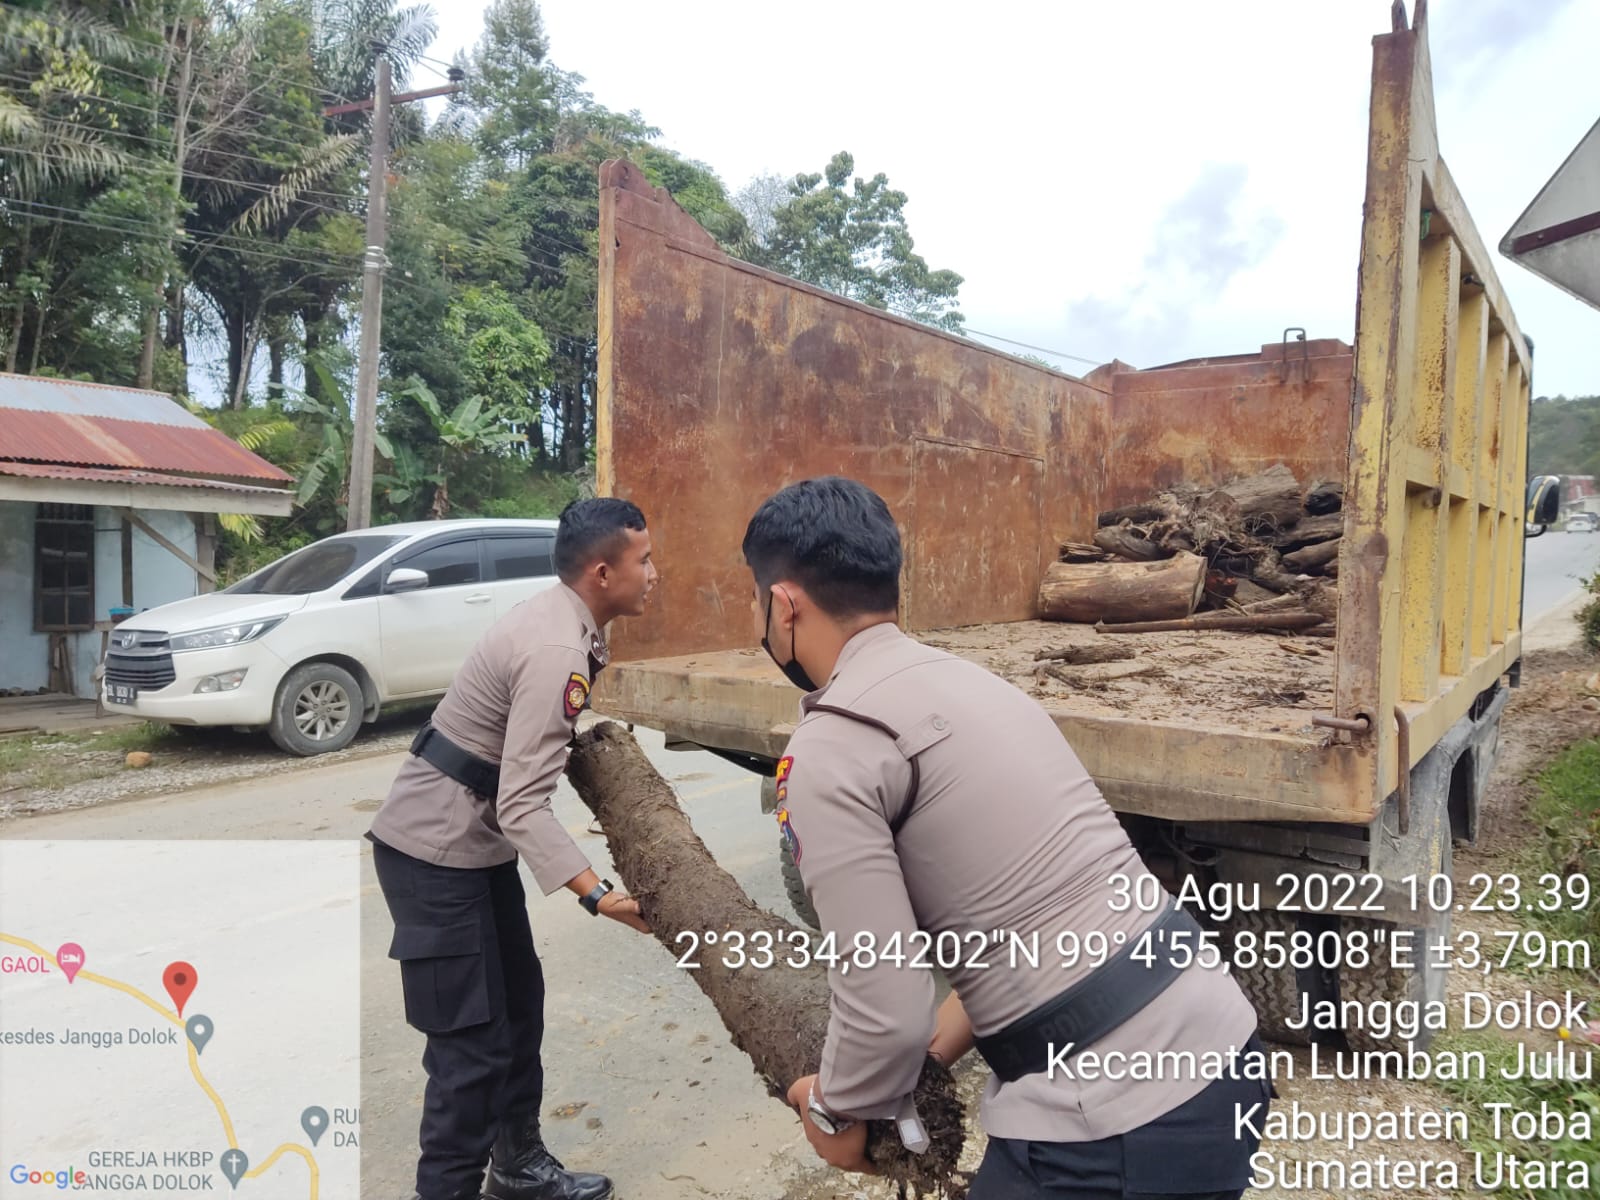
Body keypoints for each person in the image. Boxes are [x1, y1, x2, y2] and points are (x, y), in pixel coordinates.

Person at [742, 477, 1271, 1200]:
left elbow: (884, 1000)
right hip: (1220, 1051)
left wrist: (836, 1105)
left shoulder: (833, 741)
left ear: (782, 604)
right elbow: (1019, 924)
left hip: (1113, 1127)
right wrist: (927, 1055)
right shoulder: (975, 684)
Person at [368, 498, 658, 1200]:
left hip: (476, 848)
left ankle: (519, 1167)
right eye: (643, 560)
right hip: (434, 852)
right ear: (601, 571)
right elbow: (521, 802)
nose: (654, 573)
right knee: (469, 1054)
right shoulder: (558, 644)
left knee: (518, 1009)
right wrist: (599, 895)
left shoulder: (570, 622)